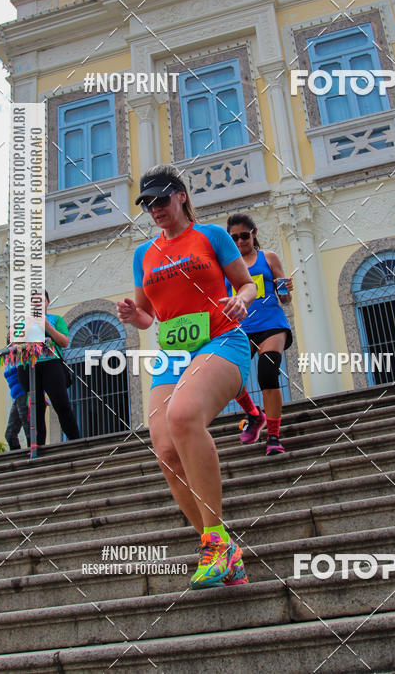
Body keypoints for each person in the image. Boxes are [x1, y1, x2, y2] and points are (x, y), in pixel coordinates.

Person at [117, 164, 256, 589]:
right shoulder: (145, 253)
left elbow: (246, 285)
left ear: (180, 195)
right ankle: (220, 550)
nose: (155, 209)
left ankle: (216, 544)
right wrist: (132, 315)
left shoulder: (211, 236)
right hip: (173, 351)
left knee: (182, 417)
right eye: (147, 204)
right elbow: (147, 317)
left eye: (161, 199)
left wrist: (240, 301)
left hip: (222, 340)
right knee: (163, 447)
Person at [225, 213, 294, 455]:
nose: (240, 241)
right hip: (242, 329)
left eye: (244, 235)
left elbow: (285, 298)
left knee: (267, 373)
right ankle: (255, 415)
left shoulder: (269, 257)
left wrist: (285, 290)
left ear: (254, 233)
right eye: (233, 238)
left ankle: (274, 437)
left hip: (271, 324)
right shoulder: (226, 267)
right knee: (229, 380)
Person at [17, 290, 80, 446]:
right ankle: (38, 447)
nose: (38, 304)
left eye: (41, 300)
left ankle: (76, 442)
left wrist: (46, 326)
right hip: (28, 366)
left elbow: (64, 342)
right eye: (34, 301)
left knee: (61, 403)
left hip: (51, 363)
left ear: (47, 302)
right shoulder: (22, 322)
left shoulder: (55, 319)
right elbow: (15, 345)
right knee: (35, 408)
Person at [4, 363, 30, 450]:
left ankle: (32, 452)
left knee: (28, 428)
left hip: (24, 394)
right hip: (17, 397)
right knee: (9, 434)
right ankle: (18, 456)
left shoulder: (22, 356)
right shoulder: (7, 358)